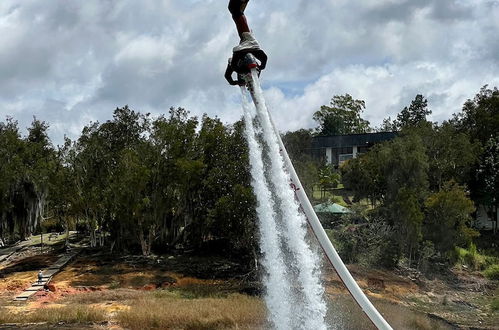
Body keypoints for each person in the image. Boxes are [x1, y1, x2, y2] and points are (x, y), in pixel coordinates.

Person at [225, 0, 267, 85]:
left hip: (249, 42)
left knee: (234, 9)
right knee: (235, 10)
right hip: (247, 43)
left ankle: (249, 41)